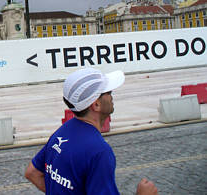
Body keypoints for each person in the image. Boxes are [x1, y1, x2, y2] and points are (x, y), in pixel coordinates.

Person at [25, 67, 158, 195]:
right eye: (109, 92)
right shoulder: (99, 151)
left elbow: (32, 172)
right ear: (96, 105)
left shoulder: (62, 132)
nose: (112, 96)